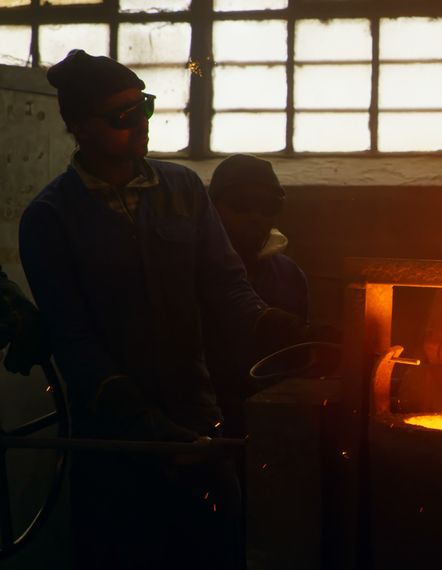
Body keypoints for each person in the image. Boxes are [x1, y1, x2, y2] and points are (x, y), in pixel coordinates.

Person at [19, 49, 309, 570]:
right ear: (80, 126)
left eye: (144, 107)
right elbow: (75, 340)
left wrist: (283, 329)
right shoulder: (51, 218)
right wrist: (138, 419)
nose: (141, 125)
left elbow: (228, 289)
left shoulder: (181, 189)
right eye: (122, 117)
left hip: (198, 416)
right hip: (112, 440)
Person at [205, 154, 309, 437]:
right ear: (212, 209)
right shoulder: (193, 270)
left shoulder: (288, 275)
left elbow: (298, 358)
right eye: (241, 205)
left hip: (272, 417)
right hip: (208, 415)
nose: (256, 218)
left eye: (268, 208)